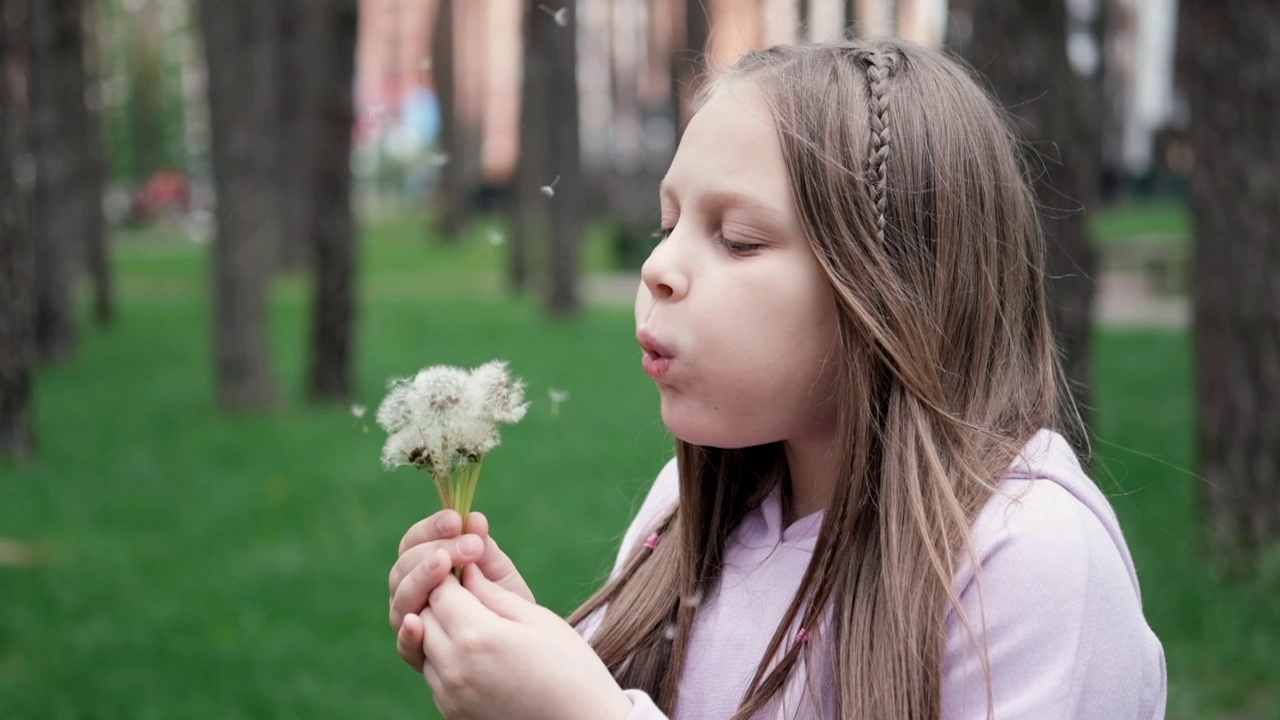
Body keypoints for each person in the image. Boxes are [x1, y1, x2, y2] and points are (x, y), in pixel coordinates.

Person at [385, 38, 1167, 719]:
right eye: (667, 225)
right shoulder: (683, 516)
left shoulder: (1029, 562)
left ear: (891, 290)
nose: (657, 267)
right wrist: (530, 663)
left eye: (736, 238)